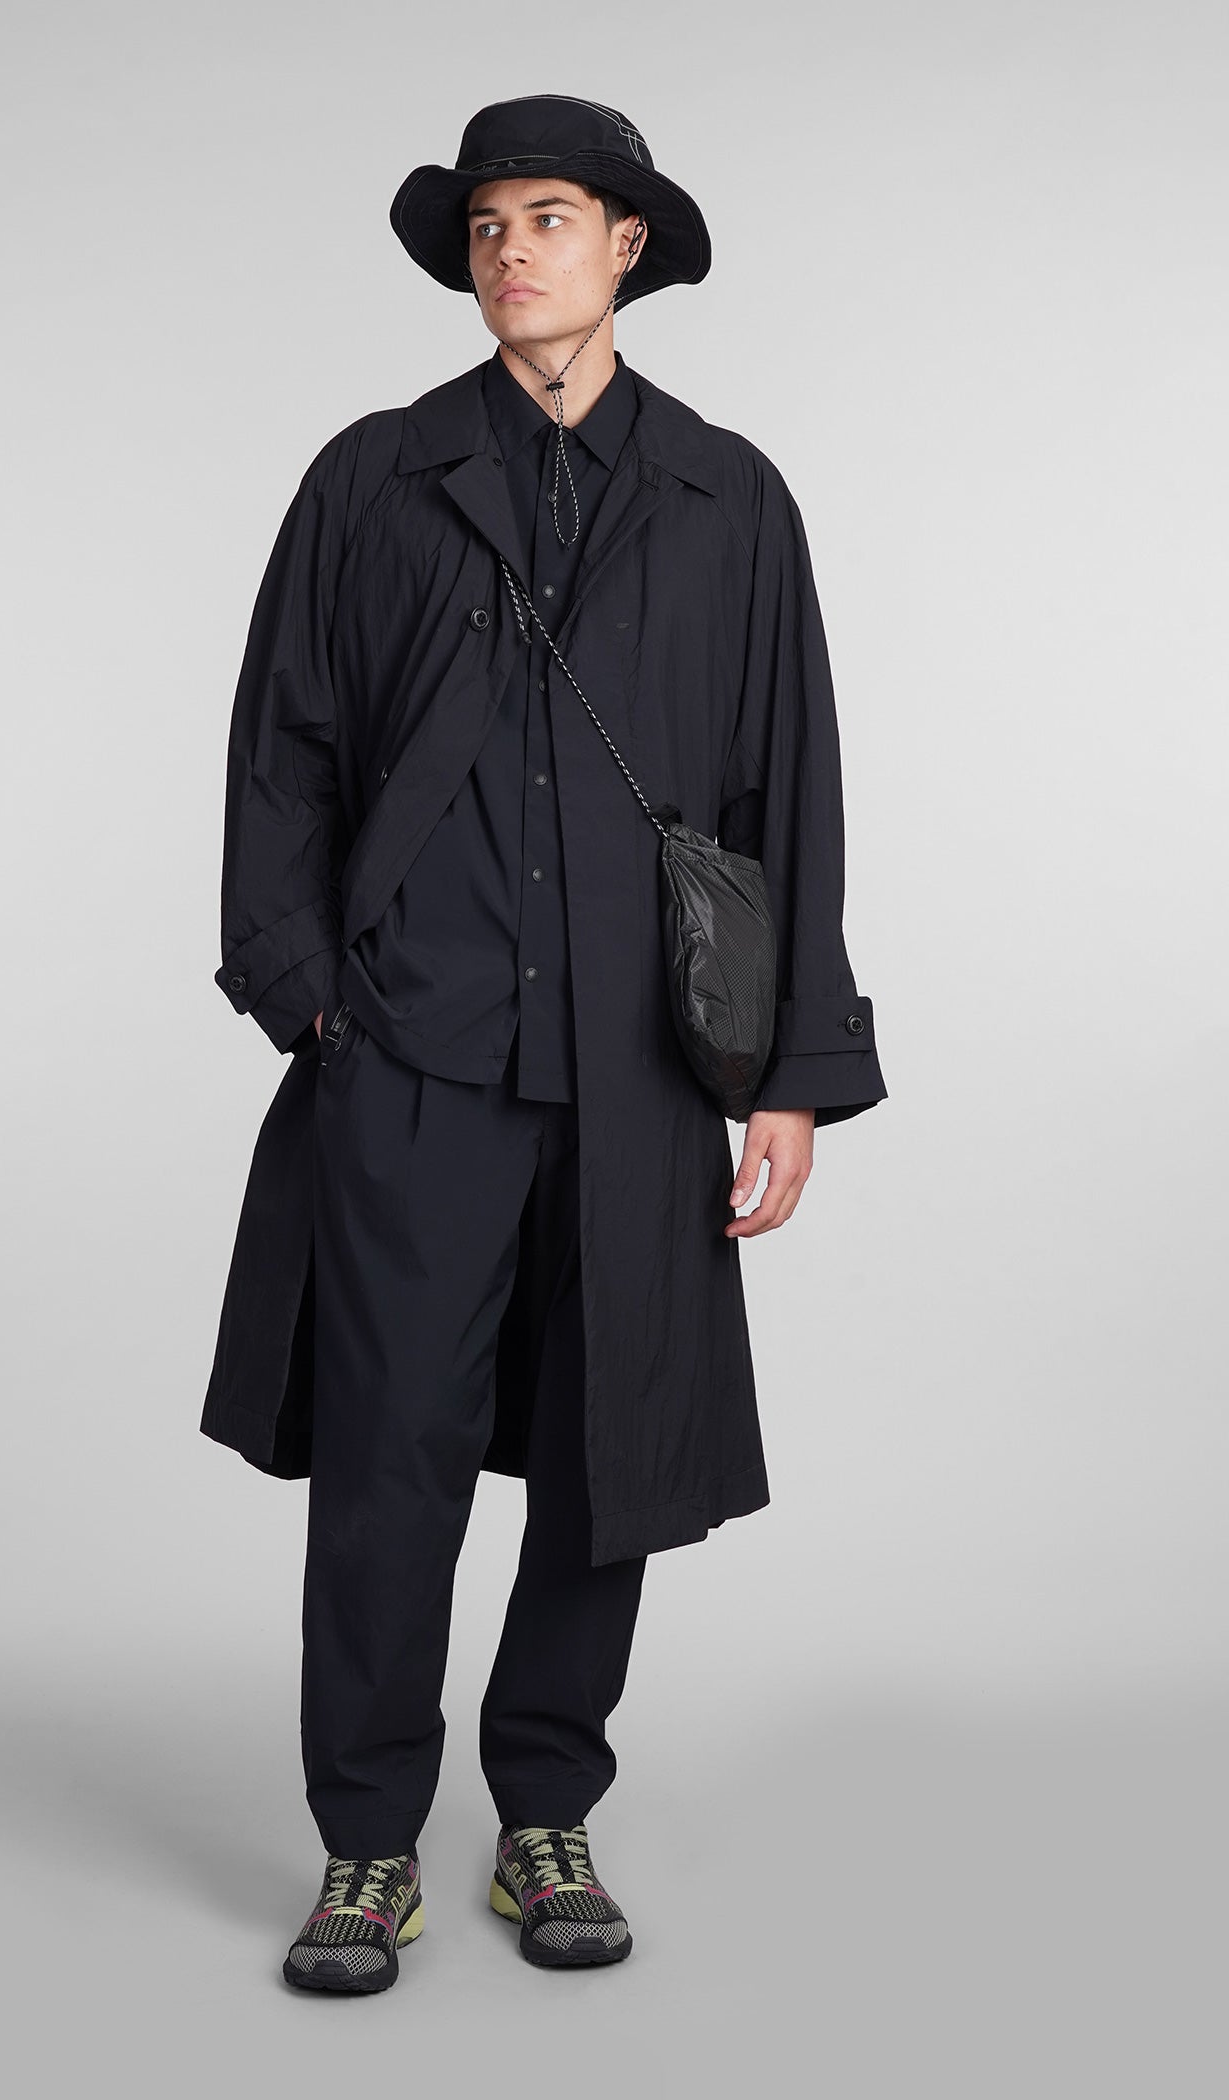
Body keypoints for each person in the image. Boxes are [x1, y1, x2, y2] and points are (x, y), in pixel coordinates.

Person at [201, 93, 888, 1994]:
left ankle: (544, 1814)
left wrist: (791, 1071)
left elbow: (785, 790)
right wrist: (310, 995)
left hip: (641, 1068)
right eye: (490, 222)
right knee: (388, 1459)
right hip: (409, 1057)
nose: (513, 250)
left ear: (627, 246)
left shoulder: (730, 499)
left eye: (552, 216)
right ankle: (366, 1845)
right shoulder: (375, 478)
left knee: (611, 1458)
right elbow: (282, 751)